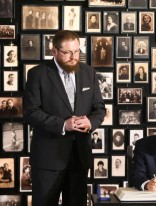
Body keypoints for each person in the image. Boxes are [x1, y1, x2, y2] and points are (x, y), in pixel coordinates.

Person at [23, 30, 106, 205]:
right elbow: (31, 113)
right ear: (54, 51)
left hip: (80, 156)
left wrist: (90, 122)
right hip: (48, 160)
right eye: (67, 52)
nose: (73, 56)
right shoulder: (37, 74)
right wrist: (63, 125)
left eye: (77, 51)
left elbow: (99, 109)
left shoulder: (89, 73)